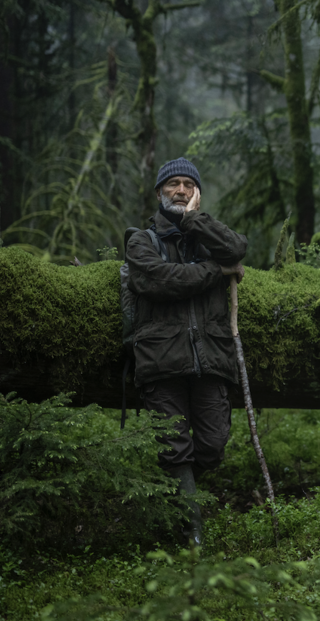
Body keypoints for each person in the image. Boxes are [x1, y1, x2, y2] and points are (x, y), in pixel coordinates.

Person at [125, 157, 247, 548]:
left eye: (187, 185)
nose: (180, 190)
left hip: (210, 358)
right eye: (172, 184)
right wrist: (217, 272)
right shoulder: (142, 240)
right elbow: (161, 281)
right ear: (159, 192)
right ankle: (192, 534)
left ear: (197, 193)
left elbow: (236, 248)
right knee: (175, 448)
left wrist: (196, 222)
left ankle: (179, 493)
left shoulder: (206, 235)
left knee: (212, 445)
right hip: (161, 362)